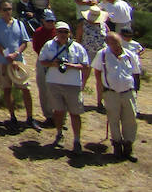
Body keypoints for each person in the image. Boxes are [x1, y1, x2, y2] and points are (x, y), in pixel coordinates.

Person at [38, 21, 90, 153]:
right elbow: (42, 61)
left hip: (72, 84)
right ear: (56, 32)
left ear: (69, 33)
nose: (63, 34)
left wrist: (71, 66)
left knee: (75, 113)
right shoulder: (49, 45)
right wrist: (53, 64)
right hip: (54, 82)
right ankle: (59, 133)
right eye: (60, 31)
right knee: (58, 111)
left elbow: (85, 66)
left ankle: (77, 140)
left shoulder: (77, 47)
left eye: (65, 32)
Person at [0, 1, 41, 131]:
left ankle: (30, 118)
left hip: (19, 62)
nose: (8, 11)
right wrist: (9, 57)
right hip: (3, 62)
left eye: (9, 9)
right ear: (1, 11)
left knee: (25, 88)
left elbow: (25, 41)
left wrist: (16, 54)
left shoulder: (19, 24)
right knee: (7, 89)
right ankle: (12, 117)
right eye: (5, 9)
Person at [92, 32, 142, 161]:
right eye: (111, 43)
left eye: (117, 42)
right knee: (113, 120)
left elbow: (136, 73)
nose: (115, 45)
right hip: (111, 93)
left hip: (128, 92)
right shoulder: (102, 55)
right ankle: (117, 147)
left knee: (130, 120)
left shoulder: (130, 55)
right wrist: (101, 92)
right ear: (107, 43)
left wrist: (135, 91)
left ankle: (128, 147)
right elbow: (97, 73)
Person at [31, 9, 58, 124]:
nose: (50, 23)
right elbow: (36, 47)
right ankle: (48, 115)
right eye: (48, 21)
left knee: (57, 89)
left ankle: (59, 115)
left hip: (56, 63)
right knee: (43, 88)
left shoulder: (58, 32)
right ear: (43, 21)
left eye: (52, 21)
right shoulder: (38, 32)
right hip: (43, 61)